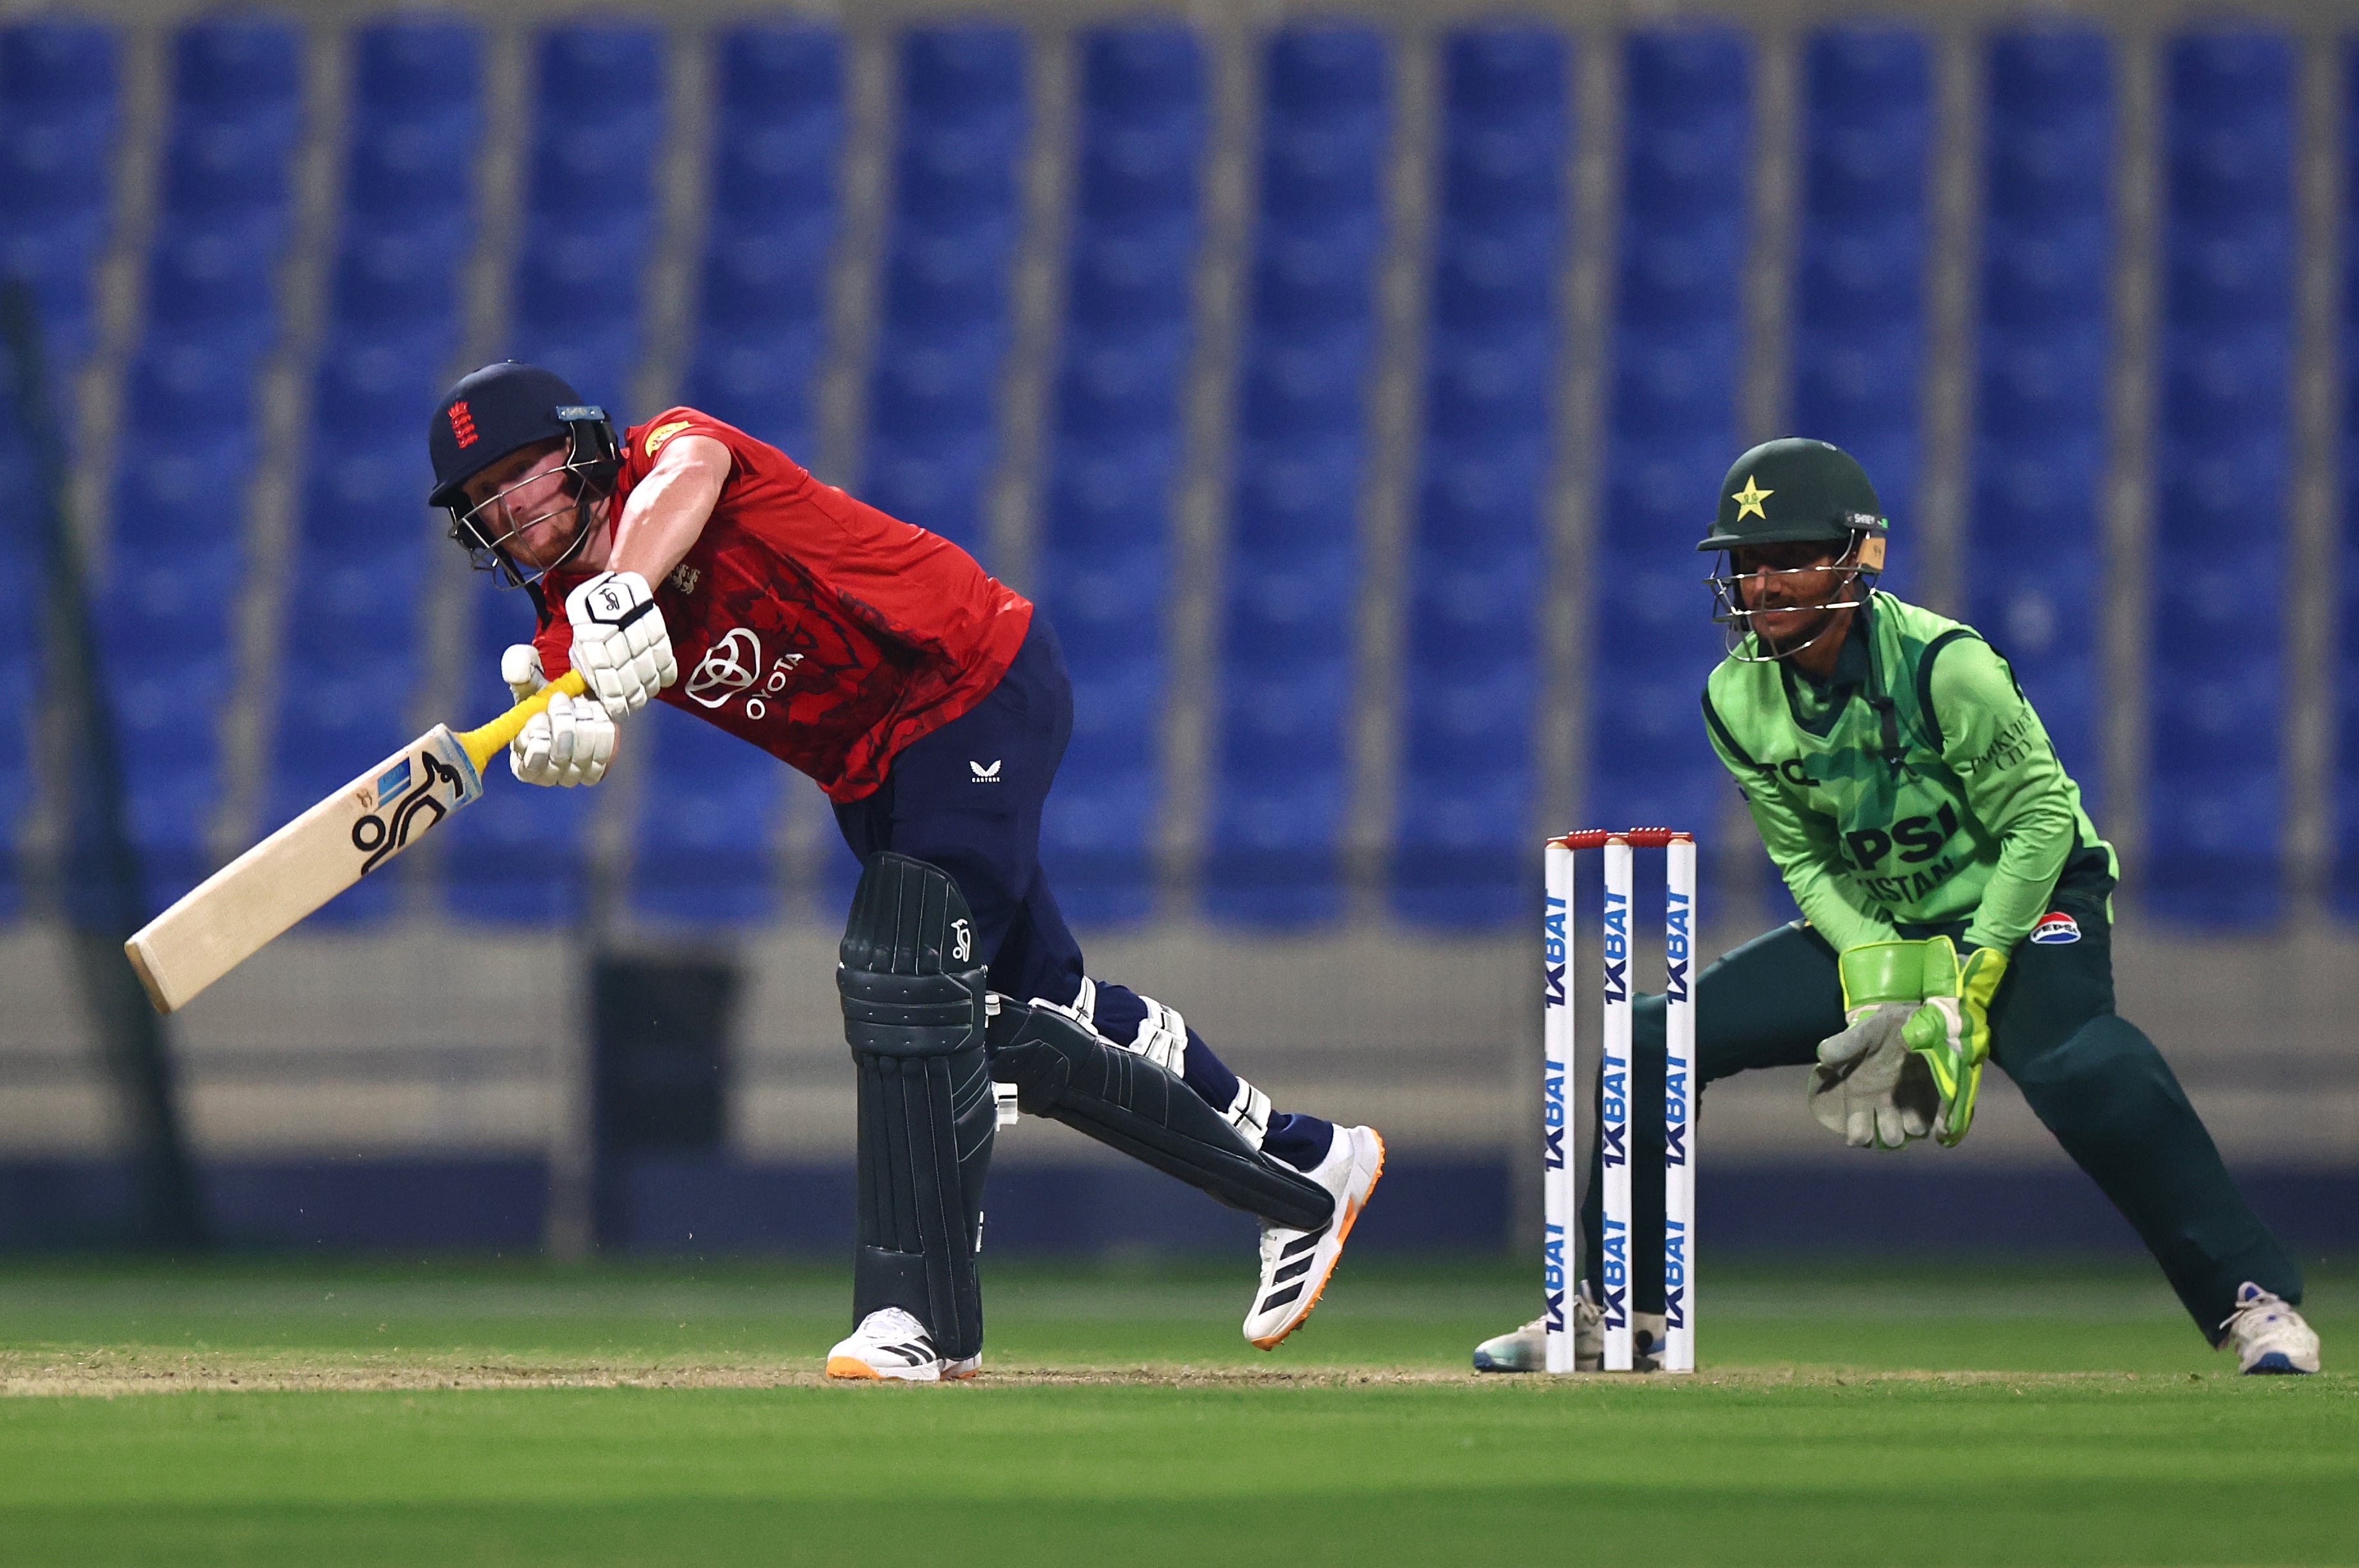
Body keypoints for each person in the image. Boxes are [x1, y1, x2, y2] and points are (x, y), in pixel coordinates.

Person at [424, 360, 1385, 1381]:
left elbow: (689, 477)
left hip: (966, 679)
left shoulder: (669, 450)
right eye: (482, 497)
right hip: (873, 774)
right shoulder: (567, 622)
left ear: (580, 448)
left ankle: (915, 1314)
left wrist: (623, 593)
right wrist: (567, 733)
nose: (506, 506)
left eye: (518, 472)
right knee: (1034, 1014)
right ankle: (1308, 1167)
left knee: (907, 984)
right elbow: (590, 708)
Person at [1475, 436, 2319, 1375]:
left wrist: (1974, 975)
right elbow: (1805, 857)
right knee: (1650, 1037)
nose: (1763, 584)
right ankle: (1609, 1313)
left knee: (2084, 1063)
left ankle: (2252, 1301)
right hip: (1888, 919)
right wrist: (1881, 973)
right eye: (1747, 563)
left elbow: (2041, 821)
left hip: (2029, 901)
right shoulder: (1734, 698)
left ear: (1856, 557)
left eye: (1790, 558)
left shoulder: (1945, 666)